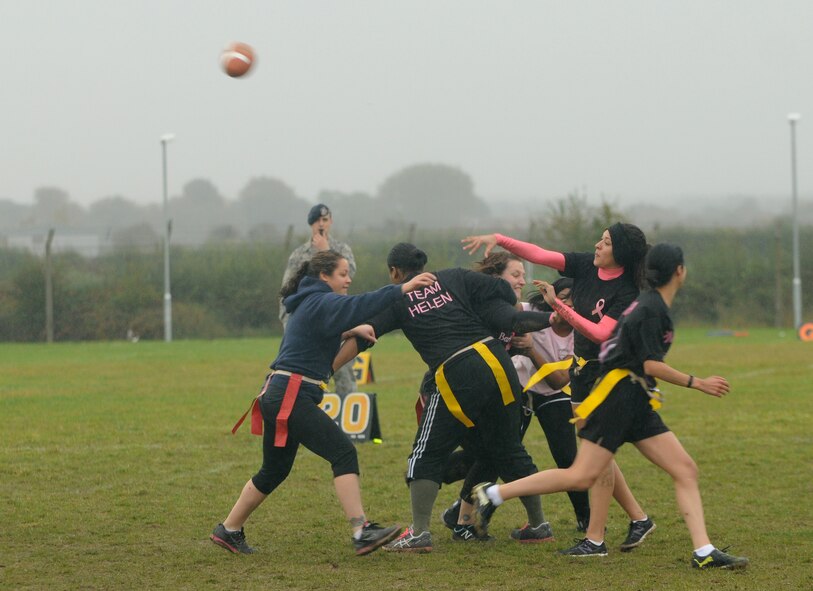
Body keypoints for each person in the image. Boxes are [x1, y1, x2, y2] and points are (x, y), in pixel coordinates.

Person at [471, 244, 750, 570]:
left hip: (634, 401)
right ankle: (495, 494)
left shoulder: (650, 305)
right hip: (616, 401)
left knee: (684, 469)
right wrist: (697, 382)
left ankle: (703, 551)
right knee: (581, 476)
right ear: (679, 271)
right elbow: (650, 365)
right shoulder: (650, 310)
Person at [211, 250, 437, 556]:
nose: (348, 279)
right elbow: (360, 304)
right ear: (324, 276)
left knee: (274, 470)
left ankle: (229, 529)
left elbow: (323, 329)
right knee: (343, 452)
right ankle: (361, 530)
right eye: (343, 274)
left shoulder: (312, 302)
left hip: (280, 394)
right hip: (291, 395)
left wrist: (352, 330)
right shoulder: (321, 301)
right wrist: (401, 289)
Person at [334, 243, 554, 553]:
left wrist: (327, 367)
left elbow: (367, 335)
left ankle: (420, 533)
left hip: (458, 369)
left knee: (426, 454)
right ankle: (538, 525)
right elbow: (499, 288)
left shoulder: (397, 299)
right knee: (508, 448)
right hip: (497, 362)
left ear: (395, 272)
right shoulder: (451, 277)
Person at [463, 224, 655, 555]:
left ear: (620, 253)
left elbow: (598, 334)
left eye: (606, 242)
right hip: (582, 373)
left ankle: (596, 538)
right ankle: (637, 519)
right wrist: (499, 239)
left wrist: (558, 306)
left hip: (606, 377)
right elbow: (539, 253)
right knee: (599, 455)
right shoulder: (585, 265)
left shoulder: (626, 292)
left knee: (592, 459)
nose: (597, 244)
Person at [280, 203, 358, 395]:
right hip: (309, 321)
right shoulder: (299, 254)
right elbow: (288, 289)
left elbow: (349, 275)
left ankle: (345, 417)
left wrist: (325, 251)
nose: (321, 225)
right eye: (316, 221)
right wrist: (287, 323)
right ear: (310, 224)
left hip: (337, 316)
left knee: (344, 372)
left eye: (324, 220)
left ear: (330, 222)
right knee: (307, 374)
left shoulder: (341, 249)